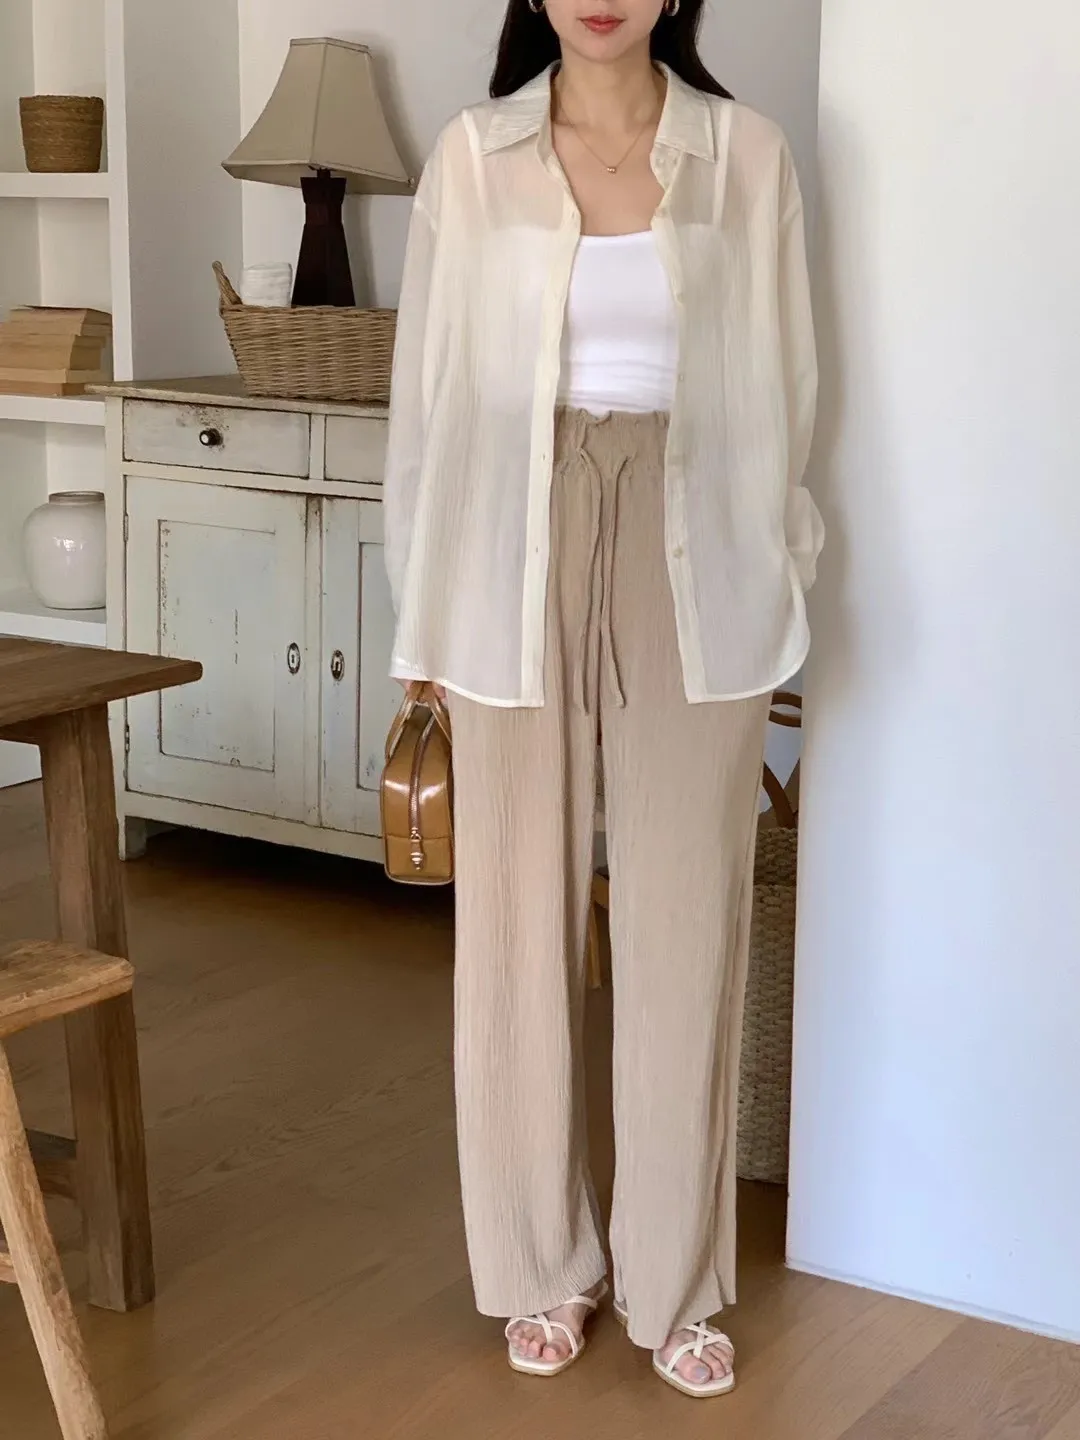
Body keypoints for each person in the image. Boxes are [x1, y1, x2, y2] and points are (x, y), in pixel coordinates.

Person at [383, 0, 821, 1400]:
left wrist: (781, 568)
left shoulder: (748, 157)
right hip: (509, 535)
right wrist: (421, 606)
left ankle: (673, 1279)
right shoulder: (473, 156)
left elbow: (790, 387)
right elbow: (428, 395)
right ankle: (539, 1265)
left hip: (695, 541)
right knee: (515, 916)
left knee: (687, 911)